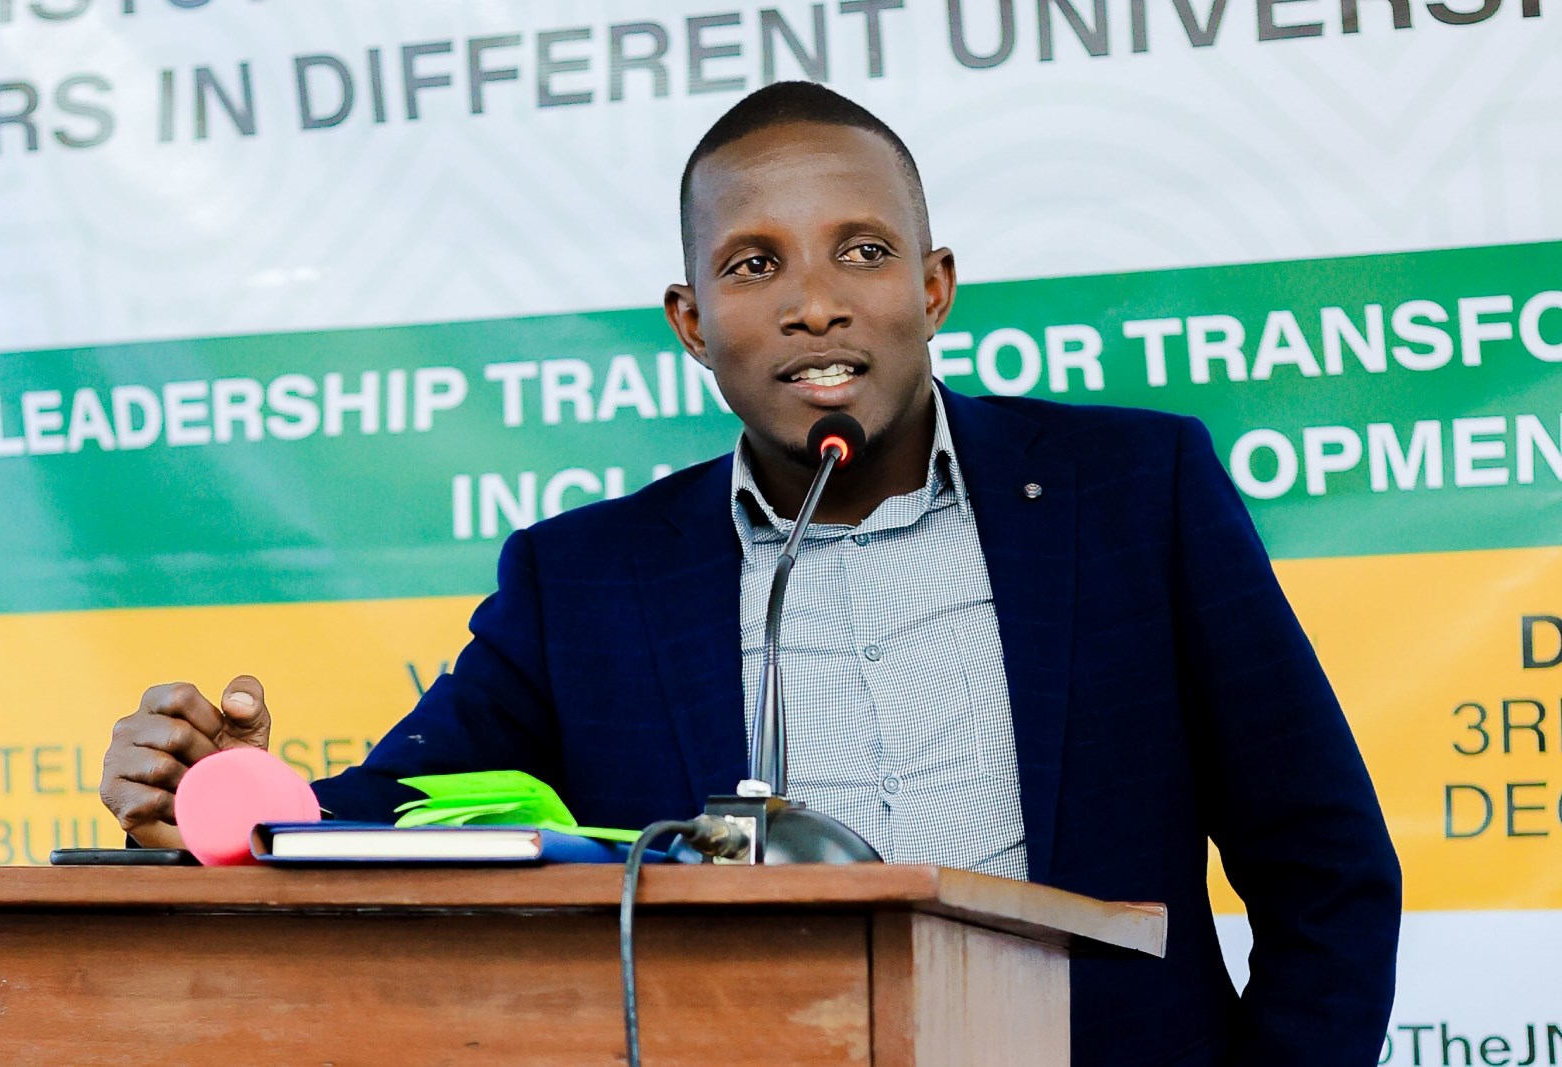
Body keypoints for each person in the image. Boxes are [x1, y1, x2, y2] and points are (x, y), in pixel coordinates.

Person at [100, 81, 1401, 1065]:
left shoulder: (1137, 495)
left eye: (863, 252)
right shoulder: (587, 583)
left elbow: (1324, 864)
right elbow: (393, 826)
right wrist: (219, 811)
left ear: (935, 286)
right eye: (755, 264)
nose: (816, 302)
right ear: (691, 322)